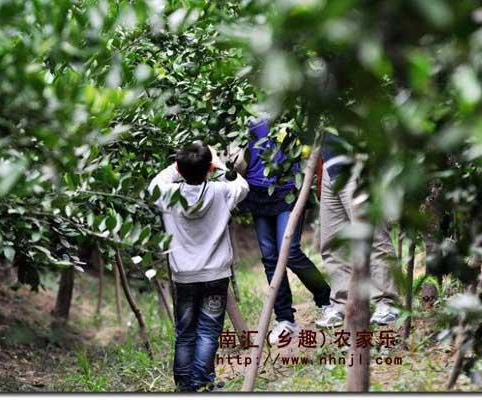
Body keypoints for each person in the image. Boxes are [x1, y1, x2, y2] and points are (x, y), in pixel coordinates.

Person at [149, 141, 249, 392]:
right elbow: (242, 185)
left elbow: (153, 185)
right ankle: (202, 382)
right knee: (208, 329)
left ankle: (185, 386)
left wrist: (179, 167)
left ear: (180, 170)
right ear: (209, 169)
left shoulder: (168, 194)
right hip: (215, 274)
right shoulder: (220, 191)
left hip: (183, 276)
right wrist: (219, 165)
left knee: (185, 331)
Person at [239, 119, 331, 344]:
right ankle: (285, 319)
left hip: (287, 187)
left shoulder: (288, 106)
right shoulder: (245, 110)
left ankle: (325, 299)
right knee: (270, 257)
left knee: (288, 252)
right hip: (256, 189)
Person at [315, 132, 399, 328]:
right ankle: (341, 304)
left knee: (373, 235)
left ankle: (387, 302)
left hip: (357, 162)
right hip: (330, 166)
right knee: (332, 241)